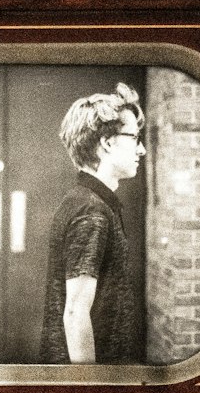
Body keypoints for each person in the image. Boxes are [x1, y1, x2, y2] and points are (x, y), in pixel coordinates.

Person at [40, 82, 145, 364]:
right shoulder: (92, 211)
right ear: (108, 143)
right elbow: (75, 312)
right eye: (135, 138)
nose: (142, 149)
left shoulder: (86, 201)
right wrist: (91, 389)